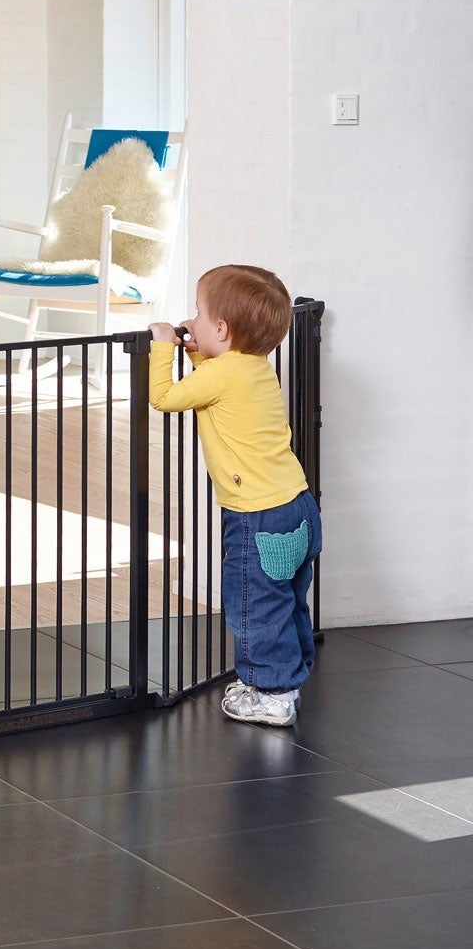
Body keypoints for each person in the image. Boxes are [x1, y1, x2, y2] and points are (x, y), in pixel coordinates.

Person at [149, 265, 318, 728]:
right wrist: (198, 351)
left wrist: (163, 345)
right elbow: (215, 383)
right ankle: (287, 676)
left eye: (199, 314)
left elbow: (164, 397)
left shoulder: (223, 373)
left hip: (256, 516)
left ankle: (272, 693)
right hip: (297, 506)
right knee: (286, 598)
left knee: (254, 603)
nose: (192, 320)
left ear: (222, 329)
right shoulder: (255, 367)